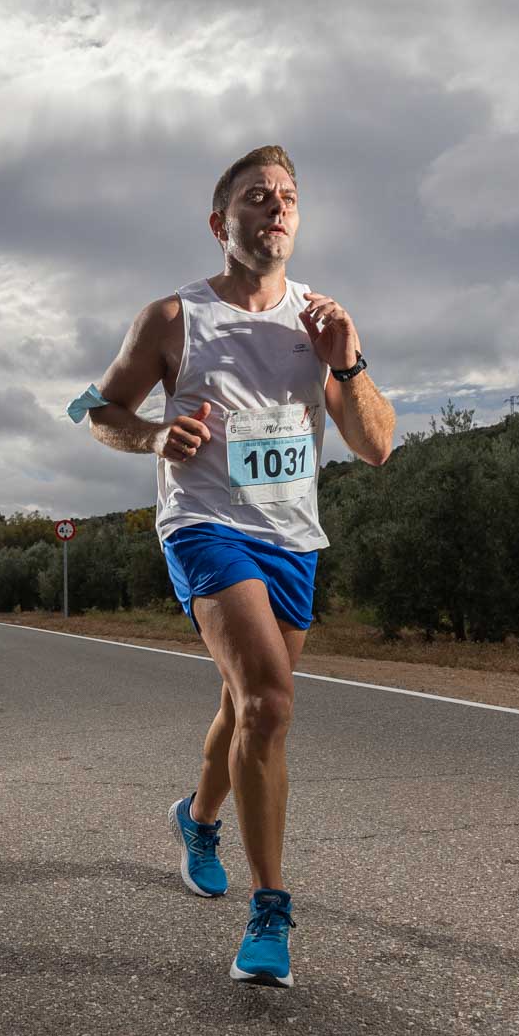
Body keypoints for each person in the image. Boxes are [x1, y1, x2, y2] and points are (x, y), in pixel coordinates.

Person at [70, 146, 395, 987]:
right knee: (268, 699)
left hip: (292, 537)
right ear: (223, 224)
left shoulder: (318, 322)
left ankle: (198, 816)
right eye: (258, 197)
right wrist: (149, 435)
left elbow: (377, 445)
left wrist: (348, 359)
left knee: (243, 706)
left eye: (288, 197)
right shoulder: (171, 319)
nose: (277, 208)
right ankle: (271, 912)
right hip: (205, 525)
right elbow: (101, 408)